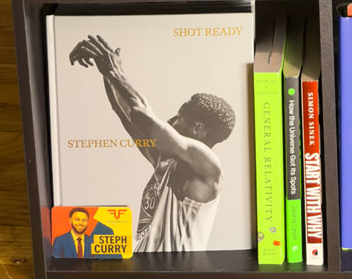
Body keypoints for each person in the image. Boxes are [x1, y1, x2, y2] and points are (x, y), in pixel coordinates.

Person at [70, 35, 235, 252]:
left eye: (180, 115)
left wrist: (115, 72)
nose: (172, 120)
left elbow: (142, 115)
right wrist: (106, 71)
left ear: (198, 128)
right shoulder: (167, 165)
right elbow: (126, 114)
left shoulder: (209, 164)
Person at [50, 207, 115, 258]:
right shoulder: (59, 240)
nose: (81, 223)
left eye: (84, 220)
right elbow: (56, 264)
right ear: (70, 220)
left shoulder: (93, 242)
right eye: (77, 219)